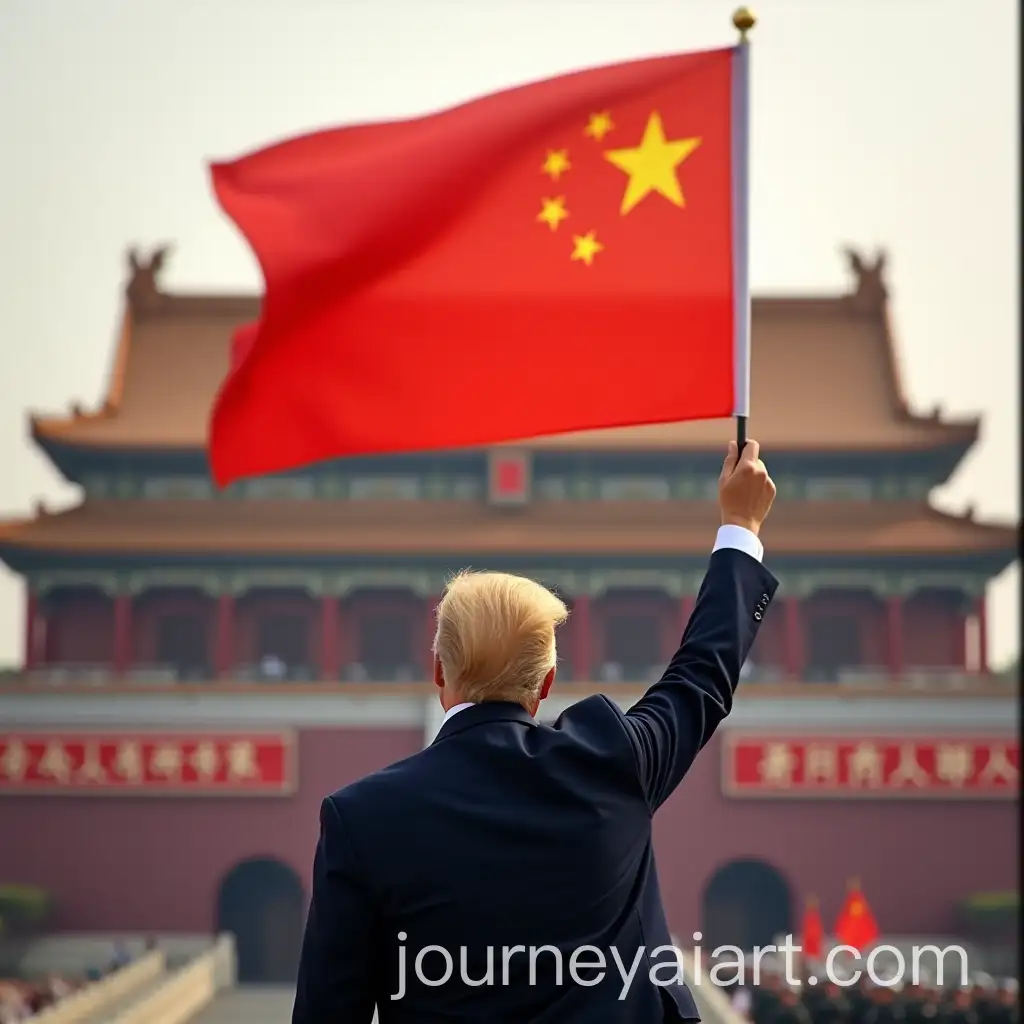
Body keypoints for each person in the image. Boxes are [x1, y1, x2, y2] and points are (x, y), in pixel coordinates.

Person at [293, 439, 778, 1023]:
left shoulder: (361, 816)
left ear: (439, 672)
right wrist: (740, 525)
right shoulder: (613, 762)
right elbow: (703, 674)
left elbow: (326, 1012)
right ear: (546, 682)